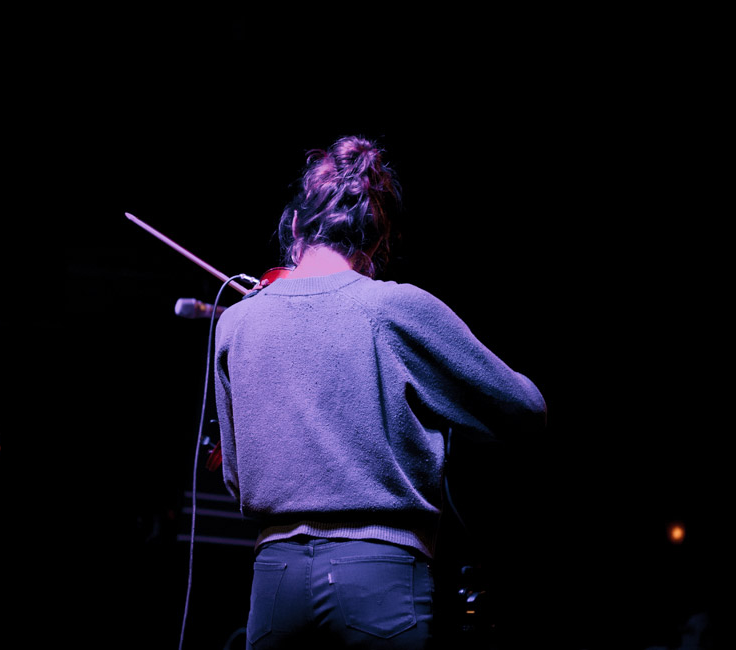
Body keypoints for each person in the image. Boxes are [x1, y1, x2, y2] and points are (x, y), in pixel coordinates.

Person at [213, 136, 547, 648]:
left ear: (296, 225)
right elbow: (524, 410)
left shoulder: (235, 324)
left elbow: (236, 477)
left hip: (273, 583)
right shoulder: (394, 309)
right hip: (380, 576)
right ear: (373, 243)